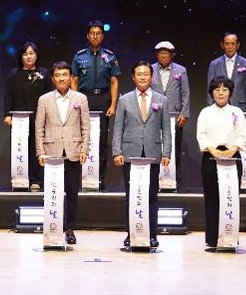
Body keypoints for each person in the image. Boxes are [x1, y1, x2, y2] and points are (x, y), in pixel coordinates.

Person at [112, 61, 171, 248]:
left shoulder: (161, 100)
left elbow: (166, 129)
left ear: (151, 77)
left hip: (152, 153)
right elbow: (118, 128)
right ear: (133, 77)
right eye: (139, 74)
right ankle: (131, 234)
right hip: (130, 153)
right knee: (131, 196)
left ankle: (152, 234)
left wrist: (167, 152)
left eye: (146, 74)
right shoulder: (124, 100)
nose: (143, 77)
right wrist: (117, 152)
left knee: (152, 196)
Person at [34, 61, 90, 244]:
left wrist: (84, 149)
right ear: (52, 78)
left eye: (65, 75)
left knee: (72, 193)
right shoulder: (44, 99)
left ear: (71, 77)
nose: (61, 78)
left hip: (74, 151)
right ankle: (53, 227)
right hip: (51, 152)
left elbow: (86, 126)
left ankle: (70, 228)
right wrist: (40, 152)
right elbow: (39, 127)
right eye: (57, 75)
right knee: (53, 192)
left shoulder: (81, 98)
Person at [196, 76, 246, 248]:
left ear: (230, 92)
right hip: (211, 158)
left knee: (231, 198)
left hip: (232, 157)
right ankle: (212, 238)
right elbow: (201, 135)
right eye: (217, 90)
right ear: (212, 93)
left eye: (225, 89)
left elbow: (242, 135)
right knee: (212, 198)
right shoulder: (205, 112)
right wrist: (213, 150)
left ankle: (230, 237)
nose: (221, 93)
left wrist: (233, 149)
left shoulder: (237, 112)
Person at [71, 20, 121, 190]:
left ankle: (99, 178)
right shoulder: (79, 56)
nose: (95, 36)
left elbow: (114, 82)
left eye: (98, 33)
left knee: (101, 141)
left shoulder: (110, 56)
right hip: (84, 98)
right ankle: (82, 178)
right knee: (82, 138)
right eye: (92, 33)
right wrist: (76, 101)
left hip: (103, 99)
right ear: (87, 35)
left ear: (102, 36)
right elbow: (74, 80)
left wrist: (113, 105)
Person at [4, 41, 52, 191]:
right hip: (19, 120)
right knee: (20, 148)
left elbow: (49, 96)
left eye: (31, 53)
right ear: (21, 56)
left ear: (36, 55)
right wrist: (8, 115)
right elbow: (8, 96)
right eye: (25, 54)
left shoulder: (44, 73)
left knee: (37, 148)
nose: (28, 56)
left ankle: (36, 180)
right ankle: (20, 179)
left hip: (39, 118)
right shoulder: (14, 74)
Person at [151, 41, 190, 187]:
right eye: (161, 53)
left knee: (174, 148)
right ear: (157, 55)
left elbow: (185, 93)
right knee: (154, 146)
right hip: (154, 114)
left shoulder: (181, 70)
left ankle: (174, 179)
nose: (163, 55)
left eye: (166, 53)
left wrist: (184, 113)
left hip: (175, 115)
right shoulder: (150, 69)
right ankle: (155, 179)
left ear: (172, 55)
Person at [206, 32, 246, 112]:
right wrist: (210, 110)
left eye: (233, 44)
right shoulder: (214, 64)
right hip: (219, 107)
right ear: (222, 45)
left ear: (237, 45)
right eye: (227, 44)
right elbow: (210, 89)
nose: (230, 47)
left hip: (240, 107)